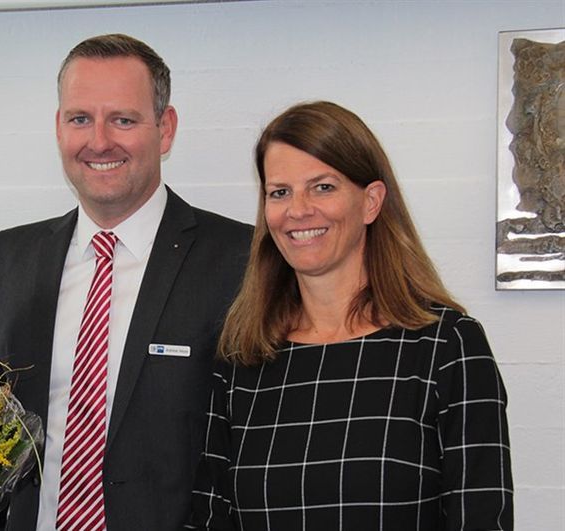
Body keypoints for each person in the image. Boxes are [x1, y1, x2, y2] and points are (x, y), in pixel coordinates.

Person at [187, 101, 513, 530]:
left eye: (322, 187)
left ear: (371, 201)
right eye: (279, 192)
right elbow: (210, 518)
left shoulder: (446, 347)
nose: (298, 210)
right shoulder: (242, 358)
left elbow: (481, 518)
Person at [0, 34, 254, 530]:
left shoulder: (240, 259)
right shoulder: (9, 257)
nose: (99, 140)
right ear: (58, 127)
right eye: (79, 118)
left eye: (123, 120)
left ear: (165, 129)